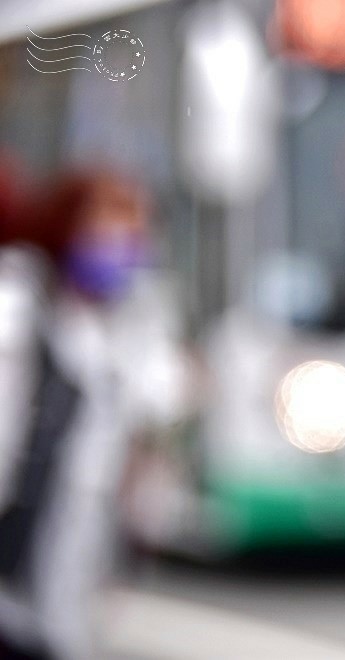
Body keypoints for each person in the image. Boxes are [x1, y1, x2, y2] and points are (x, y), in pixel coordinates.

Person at [0, 167, 188, 659]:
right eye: (107, 230)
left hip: (68, 589)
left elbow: (159, 413)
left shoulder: (127, 331)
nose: (122, 248)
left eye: (133, 233)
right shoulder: (19, 312)